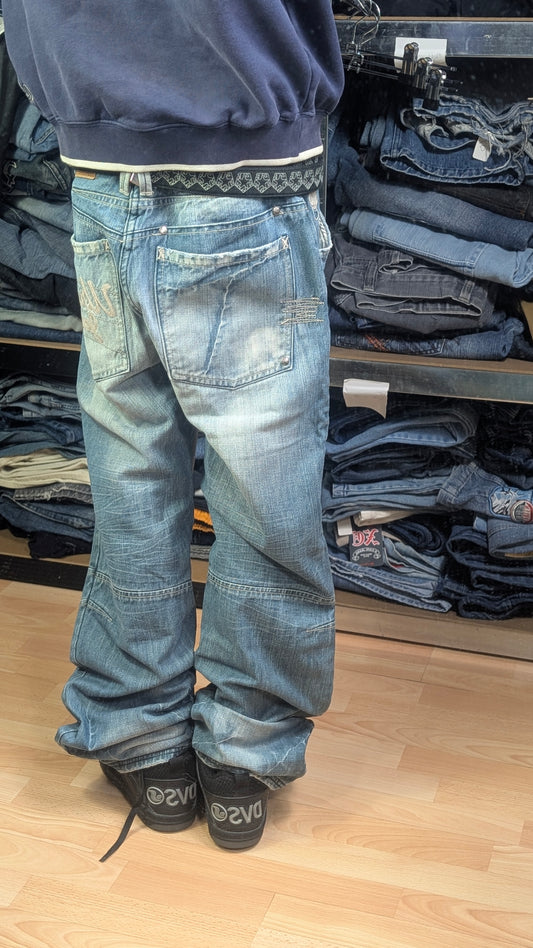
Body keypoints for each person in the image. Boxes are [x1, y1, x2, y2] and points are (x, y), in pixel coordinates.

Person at [3, 1, 345, 858]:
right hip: (247, 165)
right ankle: (242, 758)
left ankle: (142, 741)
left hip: (98, 166)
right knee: (264, 487)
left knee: (133, 478)